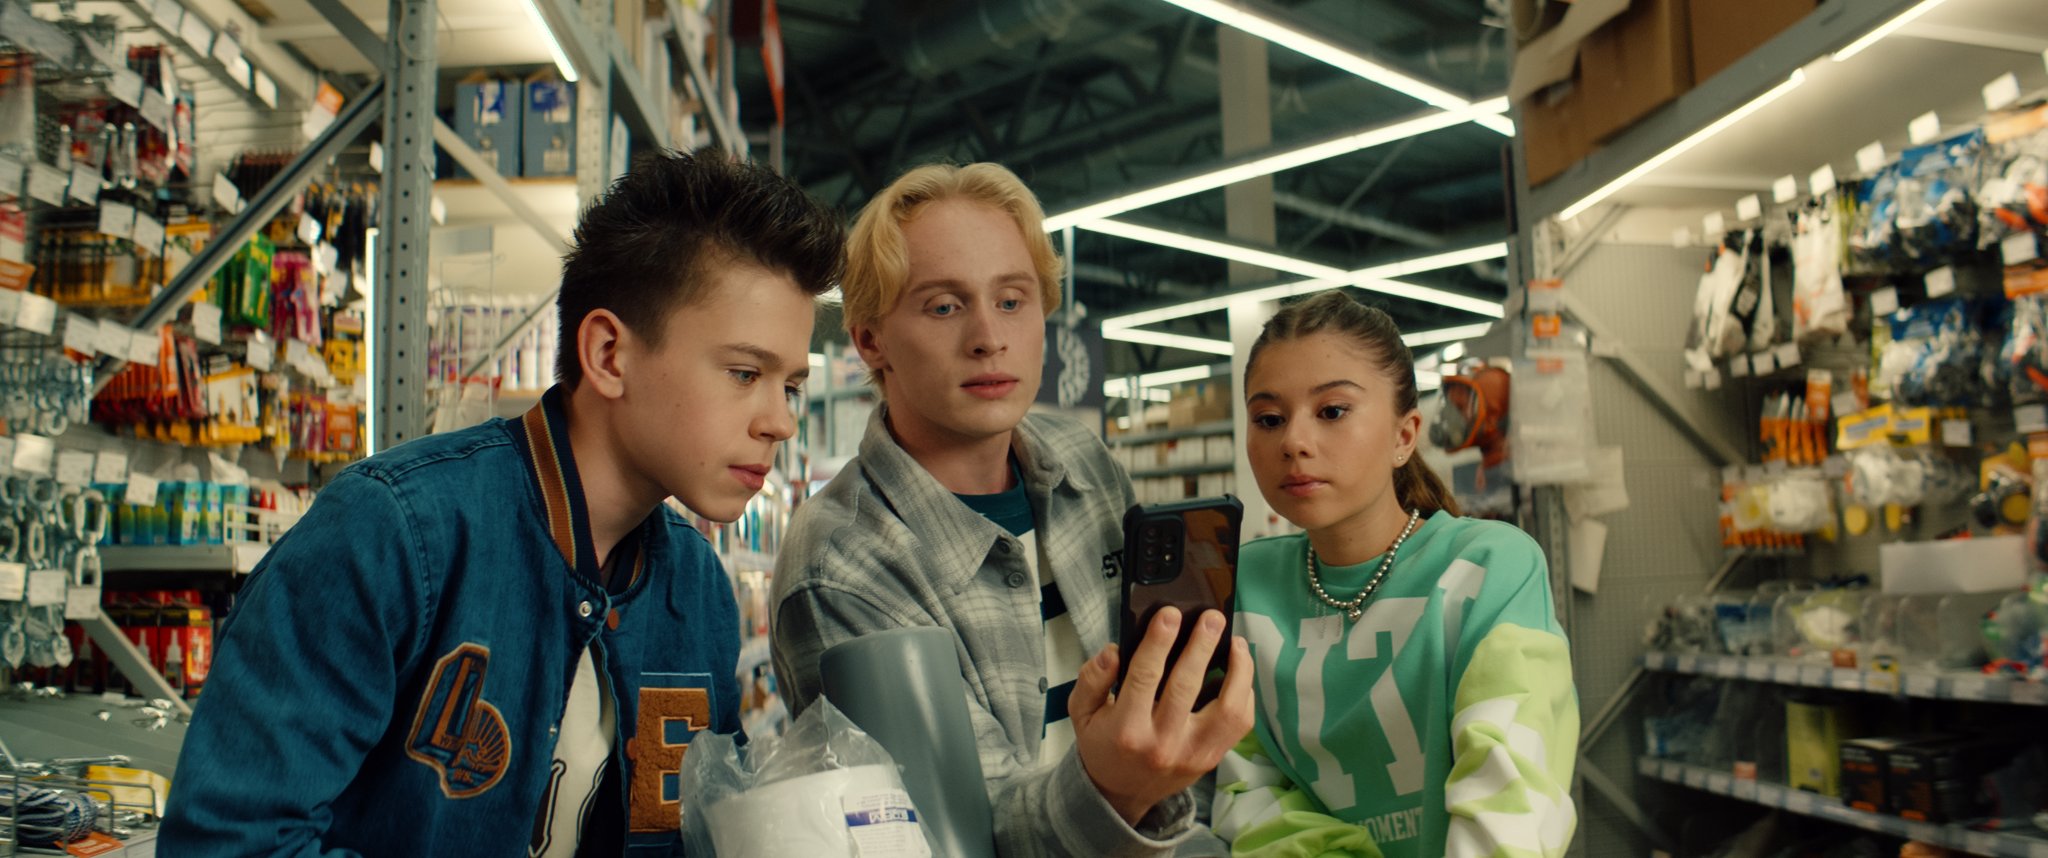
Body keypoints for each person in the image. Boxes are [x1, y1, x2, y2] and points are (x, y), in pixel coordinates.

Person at [161, 150, 845, 856]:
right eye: (744, 373)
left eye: (790, 387)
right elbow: (231, 841)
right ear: (609, 355)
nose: (781, 422)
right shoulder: (393, 533)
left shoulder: (697, 590)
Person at [770, 162, 1254, 856]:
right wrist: (1115, 790)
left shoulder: (1084, 462)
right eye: (944, 306)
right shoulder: (840, 565)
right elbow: (949, 842)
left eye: (1012, 300)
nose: (988, 337)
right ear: (870, 340)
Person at [1212, 291, 1578, 858]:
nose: (1294, 442)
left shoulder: (1488, 570)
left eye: (1332, 411)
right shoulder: (1242, 587)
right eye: (1269, 419)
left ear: (1404, 436)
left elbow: (1512, 802)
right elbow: (1246, 795)